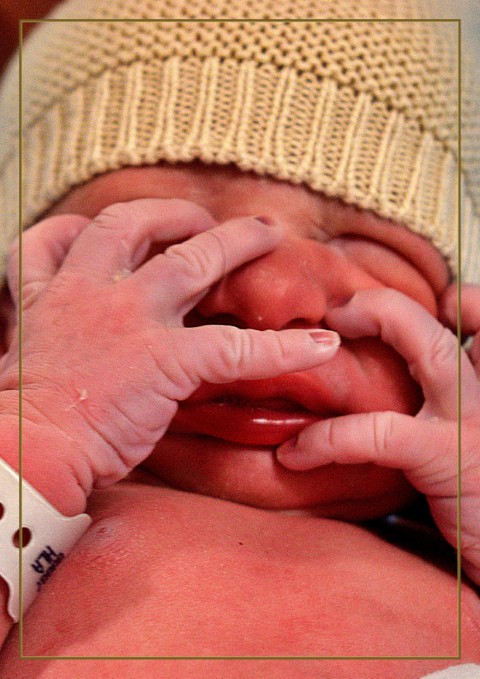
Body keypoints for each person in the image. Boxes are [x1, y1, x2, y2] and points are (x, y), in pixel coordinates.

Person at [0, 0, 479, 677]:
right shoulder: (28, 506)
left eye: (364, 242)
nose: (267, 299)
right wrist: (44, 427)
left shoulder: (454, 552)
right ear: (11, 314)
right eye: (164, 240)